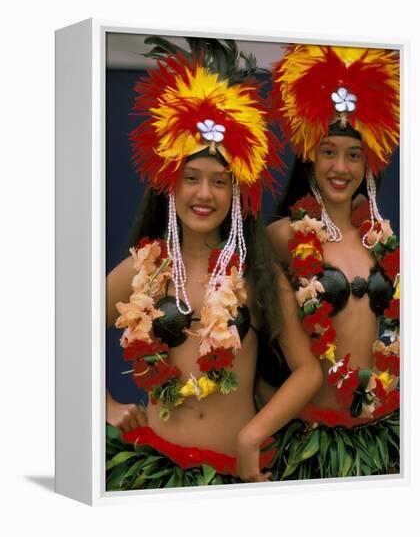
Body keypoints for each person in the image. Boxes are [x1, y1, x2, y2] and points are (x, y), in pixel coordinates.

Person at [105, 39, 323, 490]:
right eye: (191, 178)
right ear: (170, 185)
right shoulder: (143, 271)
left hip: (233, 474)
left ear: (237, 194)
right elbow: (64, 334)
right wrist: (104, 406)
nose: (204, 194)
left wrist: (252, 435)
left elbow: (307, 370)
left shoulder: (255, 276)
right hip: (153, 469)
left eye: (220, 182)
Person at [267, 44, 400, 479]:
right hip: (310, 440)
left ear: (369, 161)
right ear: (309, 155)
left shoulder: (384, 240)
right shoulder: (283, 236)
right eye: (328, 151)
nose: (341, 166)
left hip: (384, 433)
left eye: (353, 154)